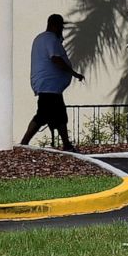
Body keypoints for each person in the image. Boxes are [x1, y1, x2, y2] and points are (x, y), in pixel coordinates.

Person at [19, 14, 84, 152]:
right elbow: (55, 58)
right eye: (61, 26)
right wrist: (73, 73)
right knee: (44, 115)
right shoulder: (50, 39)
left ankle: (66, 144)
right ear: (54, 25)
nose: (62, 29)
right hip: (49, 86)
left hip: (50, 86)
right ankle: (24, 143)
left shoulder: (41, 39)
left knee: (58, 115)